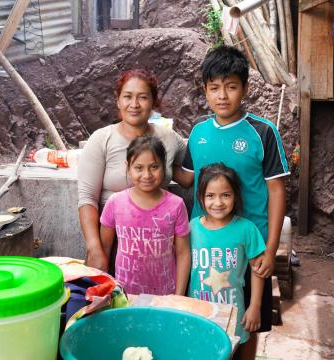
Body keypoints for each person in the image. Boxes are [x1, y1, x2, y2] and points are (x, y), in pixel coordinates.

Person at [175, 45, 289, 358]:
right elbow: (186, 178)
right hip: (205, 249)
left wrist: (271, 247)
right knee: (202, 320)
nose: (222, 95)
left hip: (252, 249)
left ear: (245, 89)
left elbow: (277, 191)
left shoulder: (263, 132)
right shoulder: (197, 133)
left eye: (231, 87)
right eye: (214, 88)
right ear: (205, 90)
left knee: (249, 323)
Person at [78, 69, 186, 273]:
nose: (134, 104)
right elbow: (87, 198)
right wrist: (95, 249)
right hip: (112, 241)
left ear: (154, 102)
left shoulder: (171, 140)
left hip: (158, 246)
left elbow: (186, 173)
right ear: (118, 101)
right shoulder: (101, 140)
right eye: (127, 96)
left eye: (143, 97)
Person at [188, 163, 265, 359]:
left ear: (236, 196)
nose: (218, 202)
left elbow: (258, 270)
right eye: (210, 196)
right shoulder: (191, 228)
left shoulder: (246, 229)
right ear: (201, 198)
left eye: (225, 195)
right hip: (198, 311)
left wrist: (254, 306)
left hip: (233, 313)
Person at [99, 135, 191, 295]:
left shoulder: (176, 205)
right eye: (139, 168)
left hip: (165, 296)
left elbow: (183, 253)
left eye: (154, 166)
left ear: (164, 166)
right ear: (128, 167)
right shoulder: (115, 202)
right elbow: (105, 249)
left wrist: (179, 296)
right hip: (125, 296)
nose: (147, 175)